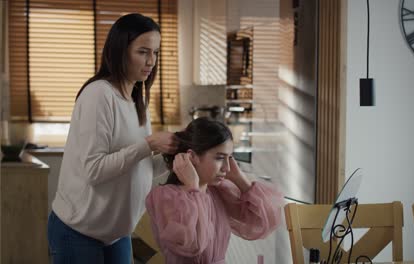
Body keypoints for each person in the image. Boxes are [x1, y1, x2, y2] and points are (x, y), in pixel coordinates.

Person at [47, 13, 178, 264]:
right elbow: (94, 170)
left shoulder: (135, 98)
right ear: (120, 51)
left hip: (117, 235)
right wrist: (149, 145)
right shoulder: (99, 95)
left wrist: (175, 155)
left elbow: (141, 166)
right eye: (143, 52)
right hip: (79, 232)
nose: (151, 61)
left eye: (156, 52)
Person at [145, 117, 284, 264]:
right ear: (192, 156)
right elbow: (194, 246)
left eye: (229, 158)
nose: (227, 168)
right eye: (219, 158)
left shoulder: (218, 191)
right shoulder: (167, 197)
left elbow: (265, 221)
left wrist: (240, 179)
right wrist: (193, 187)